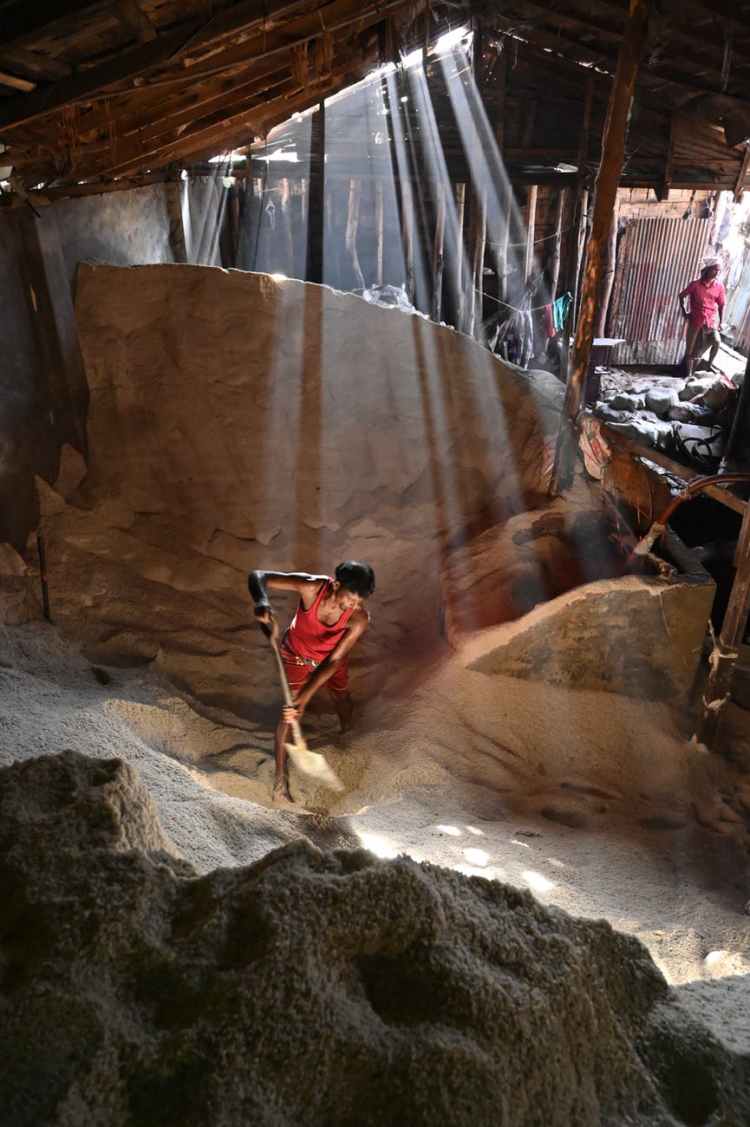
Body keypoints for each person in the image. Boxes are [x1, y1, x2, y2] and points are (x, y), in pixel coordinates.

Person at [248, 561, 375, 802]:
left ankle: (348, 734)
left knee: (341, 696)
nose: (353, 606)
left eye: (360, 602)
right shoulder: (311, 587)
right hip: (296, 656)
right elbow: (259, 575)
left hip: (330, 660)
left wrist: (305, 697)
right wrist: (261, 601)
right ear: (336, 584)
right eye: (351, 599)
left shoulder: (359, 618)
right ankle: (279, 780)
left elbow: (333, 662)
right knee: (290, 716)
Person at [679, 261, 726, 377]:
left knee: (717, 341)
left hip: (711, 321)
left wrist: (721, 322)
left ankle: (709, 364)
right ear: (707, 269)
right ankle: (688, 375)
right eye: (714, 269)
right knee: (690, 349)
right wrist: (684, 312)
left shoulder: (719, 286)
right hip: (696, 320)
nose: (716, 273)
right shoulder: (695, 285)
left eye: (718, 270)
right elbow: (681, 296)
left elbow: (721, 305)